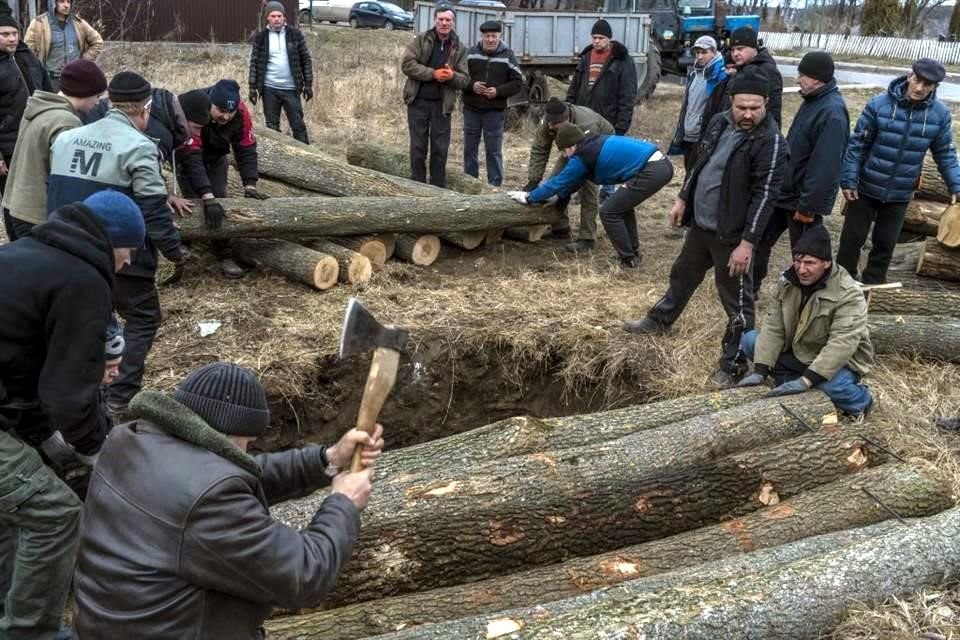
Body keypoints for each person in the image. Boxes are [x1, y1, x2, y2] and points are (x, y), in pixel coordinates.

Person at [73, 362, 384, 639]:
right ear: (227, 435)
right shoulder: (210, 500)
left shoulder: (131, 441)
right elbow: (304, 574)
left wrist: (326, 460)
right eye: (246, 444)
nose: (247, 452)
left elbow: (229, 474)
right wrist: (343, 502)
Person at [0, 191, 145, 640]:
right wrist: (97, 450)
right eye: (130, 251)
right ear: (113, 240)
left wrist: (47, 439)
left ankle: (8, 604)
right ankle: (30, 633)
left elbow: (24, 363)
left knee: (11, 513)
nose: (127, 263)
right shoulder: (83, 280)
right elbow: (67, 395)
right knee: (56, 513)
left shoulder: (24, 254)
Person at [623, 70, 788, 388]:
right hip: (702, 225)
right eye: (742, 107)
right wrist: (683, 197)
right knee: (682, 275)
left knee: (738, 303)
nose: (748, 114)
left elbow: (765, 197)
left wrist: (748, 243)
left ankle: (734, 363)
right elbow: (700, 163)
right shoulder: (720, 123)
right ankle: (659, 320)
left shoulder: (771, 143)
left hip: (734, 236)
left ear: (766, 103)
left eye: (755, 107)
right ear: (731, 103)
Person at [47, 71, 185, 415]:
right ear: (146, 109)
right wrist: (175, 252)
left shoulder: (66, 139)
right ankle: (120, 394)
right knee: (142, 316)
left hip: (62, 245)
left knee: (91, 319)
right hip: (116, 252)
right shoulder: (140, 147)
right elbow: (154, 210)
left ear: (110, 102)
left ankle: (88, 388)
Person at [838, 58, 960, 284]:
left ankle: (872, 287)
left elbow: (945, 154)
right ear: (909, 75)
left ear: (935, 87)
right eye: (917, 80)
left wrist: (956, 186)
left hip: (900, 192)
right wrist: (849, 179)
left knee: (885, 245)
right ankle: (841, 283)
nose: (920, 88)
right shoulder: (878, 105)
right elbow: (857, 145)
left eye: (927, 84)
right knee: (851, 241)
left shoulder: (939, 115)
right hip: (865, 187)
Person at [737, 225, 874, 416]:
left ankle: (862, 400)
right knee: (750, 340)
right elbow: (774, 326)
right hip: (799, 350)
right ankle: (791, 379)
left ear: (826, 263)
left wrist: (806, 381)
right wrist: (760, 370)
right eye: (798, 261)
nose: (802, 269)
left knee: (834, 388)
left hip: (838, 361)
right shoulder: (787, 281)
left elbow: (842, 344)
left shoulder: (848, 293)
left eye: (810, 263)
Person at [752, 51, 849, 300]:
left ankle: (812, 300)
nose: (797, 80)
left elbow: (825, 167)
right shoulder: (814, 101)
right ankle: (749, 289)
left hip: (802, 202)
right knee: (758, 240)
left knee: (808, 256)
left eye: (802, 75)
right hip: (785, 193)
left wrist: (809, 206)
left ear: (818, 78)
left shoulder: (833, 113)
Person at [511, 123, 673, 270]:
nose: (565, 156)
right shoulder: (591, 144)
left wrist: (529, 197)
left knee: (609, 212)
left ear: (571, 145)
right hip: (659, 164)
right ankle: (632, 253)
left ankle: (628, 259)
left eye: (564, 150)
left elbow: (558, 182)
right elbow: (574, 182)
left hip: (652, 169)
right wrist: (558, 196)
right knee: (621, 208)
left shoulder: (583, 155)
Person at [2, 59, 106, 240]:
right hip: (37, 215)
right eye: (97, 96)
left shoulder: (38, 108)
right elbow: (66, 180)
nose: (98, 102)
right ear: (84, 92)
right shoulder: (66, 122)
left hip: (15, 206)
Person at [176, 80, 267, 278]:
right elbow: (191, 158)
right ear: (210, 103)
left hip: (216, 158)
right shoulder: (195, 106)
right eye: (220, 110)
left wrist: (250, 184)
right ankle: (183, 241)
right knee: (194, 202)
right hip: (189, 158)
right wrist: (207, 197)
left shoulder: (241, 114)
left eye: (230, 112)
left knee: (220, 201)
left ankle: (224, 254)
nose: (225, 116)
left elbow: (246, 149)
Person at [524, 97, 614, 252]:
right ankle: (560, 228)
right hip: (572, 148)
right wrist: (534, 179)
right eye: (549, 123)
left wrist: (572, 182)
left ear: (566, 120)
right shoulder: (548, 123)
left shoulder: (587, 124)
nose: (550, 127)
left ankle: (587, 238)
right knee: (554, 182)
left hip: (598, 146)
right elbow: (540, 149)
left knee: (589, 190)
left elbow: (584, 159)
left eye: (555, 125)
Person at [401, 3, 469, 188]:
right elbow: (407, 65)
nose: (444, 23)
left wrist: (452, 76)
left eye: (448, 20)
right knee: (417, 148)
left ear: (453, 23)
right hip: (418, 102)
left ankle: (438, 189)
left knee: (440, 149)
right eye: (441, 19)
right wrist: (433, 74)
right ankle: (417, 187)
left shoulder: (460, 48)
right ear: (435, 21)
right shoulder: (421, 40)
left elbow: (464, 80)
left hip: (442, 105)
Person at [0, 4, 51, 220]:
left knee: (40, 199)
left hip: (38, 138)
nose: (12, 38)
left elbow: (49, 91)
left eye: (14, 33)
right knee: (14, 204)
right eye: (4, 34)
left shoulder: (27, 57)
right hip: (9, 145)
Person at [462, 19, 523, 187]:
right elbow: (459, 76)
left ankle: (494, 186)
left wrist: (498, 92)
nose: (490, 40)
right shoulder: (471, 53)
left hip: (494, 112)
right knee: (469, 149)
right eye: (487, 36)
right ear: (481, 36)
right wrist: (470, 85)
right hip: (471, 109)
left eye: (494, 36)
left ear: (500, 36)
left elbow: (518, 82)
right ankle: (469, 183)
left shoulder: (507, 55)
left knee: (493, 151)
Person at [248, 0, 313, 144]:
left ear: (284, 17)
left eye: (279, 16)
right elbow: (254, 63)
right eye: (273, 16)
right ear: (267, 18)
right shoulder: (261, 37)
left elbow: (306, 60)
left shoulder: (295, 35)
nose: (276, 19)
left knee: (298, 126)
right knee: (272, 127)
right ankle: (278, 159)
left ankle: (306, 155)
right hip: (269, 89)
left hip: (291, 88)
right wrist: (252, 87)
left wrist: (308, 84)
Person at [565, 18, 637, 138]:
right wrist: (569, 113)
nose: (597, 41)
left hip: (608, 122)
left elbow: (627, 96)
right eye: (594, 37)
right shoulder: (585, 58)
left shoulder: (621, 60)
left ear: (609, 38)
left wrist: (621, 127)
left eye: (601, 38)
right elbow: (573, 89)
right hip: (583, 120)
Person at [669, 35, 725, 172]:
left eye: (704, 52)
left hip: (703, 135)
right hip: (689, 133)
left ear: (714, 51)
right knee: (689, 171)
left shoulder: (719, 76)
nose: (699, 56)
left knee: (698, 174)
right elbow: (687, 106)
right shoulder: (695, 74)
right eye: (697, 53)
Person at [24, 0, 103, 91]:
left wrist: (85, 59)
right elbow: (28, 50)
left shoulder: (78, 23)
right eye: (62, 1)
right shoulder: (39, 23)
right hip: (50, 79)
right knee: (53, 104)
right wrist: (36, 70)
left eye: (68, 2)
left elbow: (97, 41)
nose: (66, 5)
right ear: (53, 3)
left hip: (74, 78)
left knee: (74, 104)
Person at [728, 26, 783, 127]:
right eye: (732, 50)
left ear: (754, 48)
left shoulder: (768, 71)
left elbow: (773, 109)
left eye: (740, 49)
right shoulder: (739, 69)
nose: (735, 54)